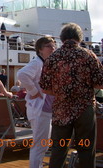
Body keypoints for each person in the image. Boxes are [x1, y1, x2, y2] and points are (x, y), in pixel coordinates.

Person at [40, 23, 103, 168]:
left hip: (61, 110)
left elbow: (45, 88)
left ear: (62, 38)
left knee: (59, 149)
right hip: (84, 109)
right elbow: (100, 84)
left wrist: (62, 93)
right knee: (86, 149)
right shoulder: (88, 55)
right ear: (79, 38)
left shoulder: (52, 58)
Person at [17, 36, 56, 168]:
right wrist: (34, 92)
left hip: (46, 110)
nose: (53, 48)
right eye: (49, 46)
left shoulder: (45, 63)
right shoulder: (37, 63)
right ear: (40, 49)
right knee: (39, 145)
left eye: (53, 45)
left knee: (43, 143)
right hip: (40, 111)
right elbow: (21, 74)